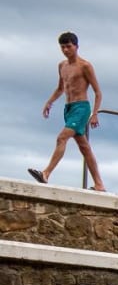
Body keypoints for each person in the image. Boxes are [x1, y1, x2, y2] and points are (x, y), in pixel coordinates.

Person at [29, 32, 105, 191]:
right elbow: (60, 88)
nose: (65, 50)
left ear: (76, 46)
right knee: (84, 147)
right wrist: (49, 102)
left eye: (68, 46)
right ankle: (99, 184)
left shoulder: (85, 66)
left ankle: (46, 173)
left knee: (61, 138)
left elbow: (98, 92)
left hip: (82, 108)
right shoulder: (62, 66)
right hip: (68, 108)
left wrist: (95, 114)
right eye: (63, 47)